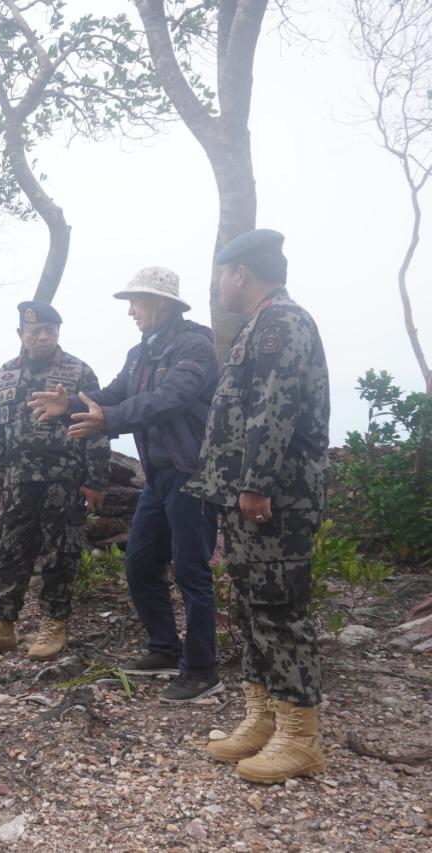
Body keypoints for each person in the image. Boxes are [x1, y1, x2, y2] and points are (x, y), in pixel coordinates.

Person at [27, 268, 222, 702]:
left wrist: (107, 421)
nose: (131, 311)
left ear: (163, 303)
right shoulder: (140, 353)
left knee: (191, 570)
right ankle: (165, 649)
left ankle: (203, 668)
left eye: (137, 302)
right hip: (159, 477)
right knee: (139, 563)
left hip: (193, 474)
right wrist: (69, 405)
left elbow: (169, 398)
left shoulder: (195, 345)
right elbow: (113, 393)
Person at [186, 229, 330, 784]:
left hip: (274, 497)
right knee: (252, 605)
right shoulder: (259, 324)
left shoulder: (282, 325)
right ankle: (264, 717)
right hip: (250, 496)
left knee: (280, 608)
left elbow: (275, 410)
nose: (218, 284)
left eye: (221, 273)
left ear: (240, 272)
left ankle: (300, 737)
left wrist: (255, 482)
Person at [0, 301, 110, 662]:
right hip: (18, 480)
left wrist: (95, 480)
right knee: (12, 551)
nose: (43, 337)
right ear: (21, 334)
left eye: (50, 331)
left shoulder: (79, 371)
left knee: (62, 553)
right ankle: (2, 626)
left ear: (58, 332)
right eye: (35, 331)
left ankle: (53, 624)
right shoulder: (6, 373)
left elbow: (97, 427)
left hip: (65, 479)